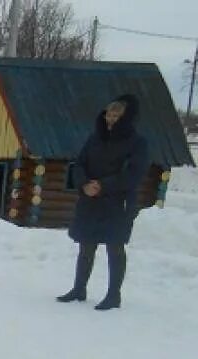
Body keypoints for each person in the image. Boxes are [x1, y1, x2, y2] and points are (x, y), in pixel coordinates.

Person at [57, 94, 150, 311]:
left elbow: (134, 174)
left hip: (118, 202)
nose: (111, 119)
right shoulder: (94, 138)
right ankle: (79, 289)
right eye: (109, 114)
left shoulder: (138, 142)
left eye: (117, 115)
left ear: (126, 118)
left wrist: (102, 185)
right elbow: (79, 164)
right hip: (90, 200)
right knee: (86, 245)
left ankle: (113, 295)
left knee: (114, 247)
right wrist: (84, 184)